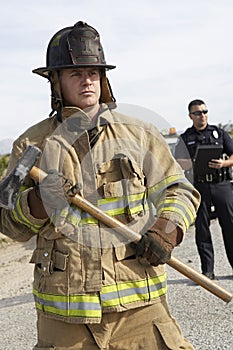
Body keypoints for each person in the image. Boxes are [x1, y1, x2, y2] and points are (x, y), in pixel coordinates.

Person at [0, 21, 200, 350]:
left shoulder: (140, 134)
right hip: (65, 319)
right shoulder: (30, 145)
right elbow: (7, 222)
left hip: (140, 306)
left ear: (103, 78)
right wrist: (38, 203)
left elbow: (179, 189)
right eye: (75, 73)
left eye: (94, 72)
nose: (87, 80)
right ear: (56, 81)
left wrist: (166, 230)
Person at [175, 99, 233, 280]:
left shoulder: (219, 133)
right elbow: (177, 162)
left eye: (205, 111)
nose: (203, 115)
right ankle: (208, 271)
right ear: (191, 116)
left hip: (221, 184)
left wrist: (224, 163)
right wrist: (192, 162)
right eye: (198, 113)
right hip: (199, 186)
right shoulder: (185, 138)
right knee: (202, 228)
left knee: (230, 225)